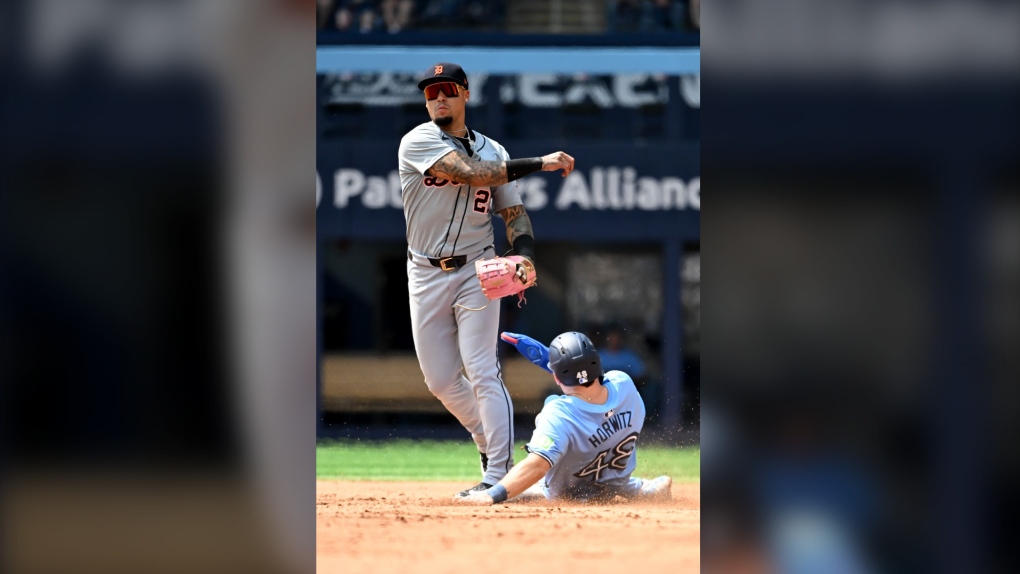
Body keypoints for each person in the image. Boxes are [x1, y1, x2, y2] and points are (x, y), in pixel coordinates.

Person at [398, 62, 575, 496]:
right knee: (439, 380)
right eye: (430, 92)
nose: (438, 98)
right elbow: (472, 174)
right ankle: (489, 444)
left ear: (464, 95)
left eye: (447, 90)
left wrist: (527, 255)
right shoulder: (417, 140)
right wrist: (541, 162)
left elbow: (512, 213)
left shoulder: (493, 148)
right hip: (424, 271)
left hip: (478, 268)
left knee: (481, 368)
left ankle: (498, 473)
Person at [454, 331, 672, 505]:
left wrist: (491, 495)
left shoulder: (558, 414)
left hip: (569, 494)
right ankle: (641, 488)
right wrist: (564, 368)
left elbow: (537, 466)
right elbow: (594, 388)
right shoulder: (624, 383)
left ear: (557, 377)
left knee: (550, 405)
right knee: (608, 470)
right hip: (613, 484)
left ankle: (636, 487)